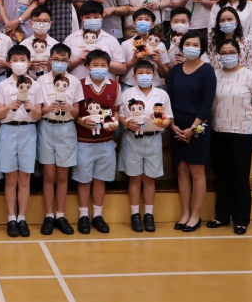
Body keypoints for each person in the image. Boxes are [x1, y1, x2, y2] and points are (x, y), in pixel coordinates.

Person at [208, 39, 252, 235]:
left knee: (240, 178)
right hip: (218, 131)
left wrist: (247, 118)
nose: (228, 56)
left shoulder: (250, 76)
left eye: (231, 52)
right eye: (224, 53)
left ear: (239, 54)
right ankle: (222, 216)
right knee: (221, 177)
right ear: (218, 56)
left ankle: (241, 220)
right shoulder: (214, 75)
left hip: (243, 134)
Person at [166, 31, 217, 233]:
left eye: (195, 45)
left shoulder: (207, 71)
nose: (191, 48)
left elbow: (207, 103)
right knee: (182, 170)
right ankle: (185, 213)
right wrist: (171, 125)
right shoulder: (176, 70)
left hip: (197, 126)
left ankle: (196, 215)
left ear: (202, 48)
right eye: (187, 44)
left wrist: (192, 129)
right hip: (177, 125)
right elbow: (168, 99)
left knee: (196, 171)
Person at [118, 60, 174, 233]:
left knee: (150, 178)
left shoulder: (161, 94)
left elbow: (168, 116)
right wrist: (126, 124)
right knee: (135, 178)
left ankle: (149, 215)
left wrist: (164, 123)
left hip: (154, 139)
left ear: (154, 76)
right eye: (140, 73)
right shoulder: (127, 94)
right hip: (132, 139)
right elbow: (121, 116)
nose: (144, 76)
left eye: (148, 73)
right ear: (134, 76)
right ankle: (135, 215)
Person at [0, 45, 43, 237]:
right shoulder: (3, 85)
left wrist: (30, 107)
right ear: (9, 63)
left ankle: (22, 218)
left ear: (29, 63)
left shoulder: (36, 85)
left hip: (28, 131)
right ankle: (11, 218)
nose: (19, 63)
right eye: (15, 60)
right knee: (10, 178)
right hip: (7, 131)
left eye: (22, 60)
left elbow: (38, 116)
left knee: (24, 177)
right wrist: (10, 106)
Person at [37, 44, 83, 236]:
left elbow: (77, 111)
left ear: (69, 62)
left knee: (63, 176)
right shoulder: (41, 81)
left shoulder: (75, 82)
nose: (59, 63)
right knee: (49, 175)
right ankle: (49, 215)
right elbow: (38, 110)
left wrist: (70, 109)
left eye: (64, 60)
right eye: (56, 59)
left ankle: (60, 215)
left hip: (66, 129)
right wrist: (47, 109)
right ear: (50, 60)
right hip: (47, 128)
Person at [73, 49, 120, 234]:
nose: (99, 68)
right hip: (84, 141)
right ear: (87, 67)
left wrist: (115, 123)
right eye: (95, 65)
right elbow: (75, 113)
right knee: (84, 179)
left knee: (100, 179)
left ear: (108, 67)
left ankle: (98, 215)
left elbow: (117, 110)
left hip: (106, 141)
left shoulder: (114, 86)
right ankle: (83, 215)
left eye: (103, 65)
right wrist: (82, 121)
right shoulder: (79, 85)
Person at [64, 1, 126, 81]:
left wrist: (101, 61)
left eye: (96, 17)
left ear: (102, 18)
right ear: (82, 18)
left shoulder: (111, 40)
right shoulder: (71, 39)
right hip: (77, 85)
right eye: (88, 17)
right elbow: (60, 65)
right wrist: (78, 60)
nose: (92, 20)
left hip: (105, 86)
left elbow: (122, 69)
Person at [119, 8, 170, 91]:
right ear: (134, 24)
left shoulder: (160, 45)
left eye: (147, 20)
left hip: (155, 87)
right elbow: (120, 71)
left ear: (152, 25)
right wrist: (133, 61)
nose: (143, 22)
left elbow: (165, 74)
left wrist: (158, 62)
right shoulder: (125, 44)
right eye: (140, 19)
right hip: (130, 87)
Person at [208, 7, 252, 73]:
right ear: (218, 23)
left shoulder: (246, 42)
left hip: (241, 78)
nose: (226, 23)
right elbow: (210, 65)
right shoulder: (212, 43)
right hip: (219, 77)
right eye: (222, 20)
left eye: (229, 19)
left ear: (236, 21)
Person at [20, 6, 59, 80]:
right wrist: (27, 68)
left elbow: (61, 71)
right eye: (37, 21)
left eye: (45, 21)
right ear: (31, 23)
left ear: (50, 23)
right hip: (29, 83)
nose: (41, 24)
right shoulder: (23, 45)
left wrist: (52, 68)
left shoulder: (56, 45)